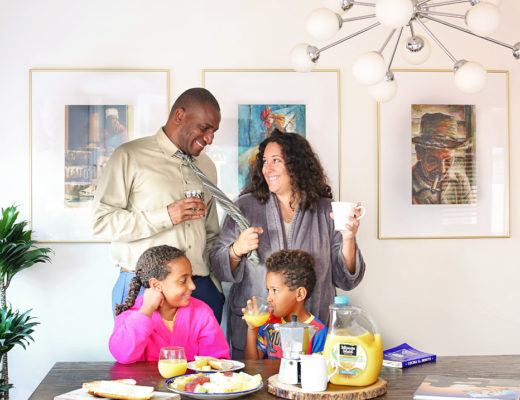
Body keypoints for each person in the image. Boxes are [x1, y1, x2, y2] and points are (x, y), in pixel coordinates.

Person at [210, 129, 365, 358]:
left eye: (276, 161)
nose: (267, 168)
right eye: (264, 161)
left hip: (313, 333)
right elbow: (217, 265)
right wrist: (237, 250)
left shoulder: (325, 210)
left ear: (296, 165)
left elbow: (346, 278)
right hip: (257, 335)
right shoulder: (244, 207)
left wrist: (349, 238)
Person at [92, 88, 225, 321]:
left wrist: (214, 288)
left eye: (213, 131)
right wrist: (167, 215)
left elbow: (212, 233)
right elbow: (101, 222)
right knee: (143, 358)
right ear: (180, 116)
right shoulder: (129, 156)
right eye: (205, 128)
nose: (209, 139)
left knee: (208, 359)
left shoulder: (207, 166)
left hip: (200, 289)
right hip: (145, 289)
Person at [109, 245, 230, 363]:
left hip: (189, 382)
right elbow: (122, 355)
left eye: (191, 278)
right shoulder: (133, 314)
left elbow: (217, 360)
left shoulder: (201, 312)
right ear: (156, 285)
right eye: (183, 281)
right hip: (145, 383)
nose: (193, 286)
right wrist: (146, 310)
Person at [243, 250, 328, 360]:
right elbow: (252, 367)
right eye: (268, 290)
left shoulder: (318, 332)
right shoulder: (268, 323)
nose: (269, 298)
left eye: (275, 290)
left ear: (300, 294)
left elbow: (318, 373)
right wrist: (252, 330)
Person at [412, 112, 473, 204]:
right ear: (419, 153)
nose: (442, 170)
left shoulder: (460, 181)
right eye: (433, 161)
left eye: (448, 160)